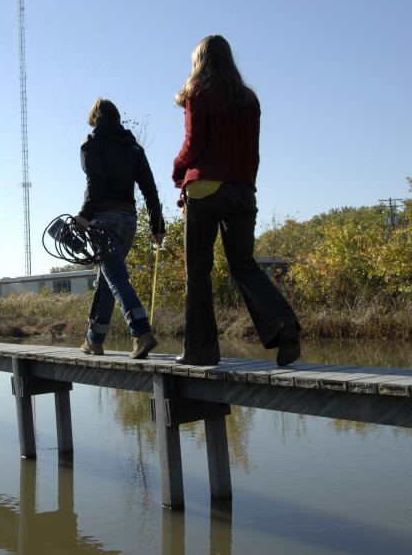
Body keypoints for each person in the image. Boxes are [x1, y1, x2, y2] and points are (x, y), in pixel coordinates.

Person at [171, 35, 300, 366]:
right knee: (243, 264)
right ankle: (284, 323)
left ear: (199, 60)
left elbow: (194, 142)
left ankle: (199, 352)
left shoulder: (197, 92)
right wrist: (246, 185)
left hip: (206, 189)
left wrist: (177, 168)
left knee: (197, 272)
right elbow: (253, 153)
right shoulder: (248, 98)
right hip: (243, 190)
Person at [75, 98, 165, 360]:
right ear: (116, 118)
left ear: (95, 119)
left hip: (103, 222)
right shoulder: (133, 147)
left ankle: (141, 332)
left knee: (116, 278)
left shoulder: (91, 144)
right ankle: (94, 340)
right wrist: (157, 226)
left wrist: (84, 217)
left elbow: (96, 181)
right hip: (128, 222)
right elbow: (149, 188)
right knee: (106, 279)